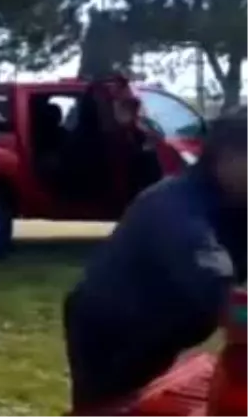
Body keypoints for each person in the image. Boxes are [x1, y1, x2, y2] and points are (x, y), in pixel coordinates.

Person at [62, 111, 248, 411]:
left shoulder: (237, 201)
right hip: (112, 328)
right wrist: (242, 315)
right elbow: (213, 281)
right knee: (108, 408)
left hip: (165, 328)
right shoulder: (175, 203)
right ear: (228, 156)